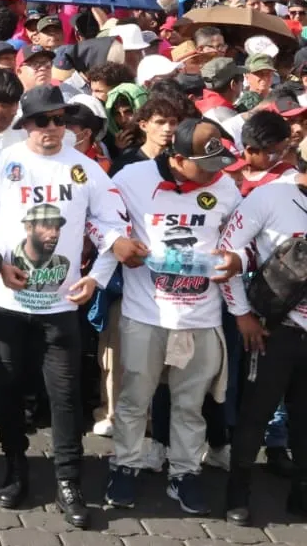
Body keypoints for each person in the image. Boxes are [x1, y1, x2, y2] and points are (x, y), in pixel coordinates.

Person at [0, 85, 149, 527]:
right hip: (7, 301)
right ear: (25, 124)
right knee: (8, 389)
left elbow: (110, 224)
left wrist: (96, 277)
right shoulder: (2, 164)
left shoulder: (84, 169)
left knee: (64, 397)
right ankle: (15, 466)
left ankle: (68, 480)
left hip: (61, 305)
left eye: (60, 120)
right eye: (43, 121)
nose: (52, 129)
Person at [93, 117, 243, 516]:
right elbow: (96, 216)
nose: (215, 175)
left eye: (219, 165)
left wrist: (239, 259)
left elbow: (243, 239)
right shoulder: (133, 177)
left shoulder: (225, 186)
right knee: (133, 399)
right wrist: (115, 240)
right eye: (205, 166)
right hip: (146, 314)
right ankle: (125, 464)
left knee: (190, 403)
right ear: (177, 159)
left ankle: (185, 473)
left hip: (201, 316)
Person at [218, 138, 307, 526]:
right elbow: (227, 253)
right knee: (256, 413)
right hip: (275, 330)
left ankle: (301, 491)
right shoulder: (270, 198)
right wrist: (242, 315)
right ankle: (238, 491)